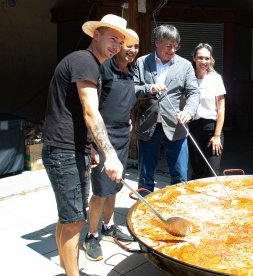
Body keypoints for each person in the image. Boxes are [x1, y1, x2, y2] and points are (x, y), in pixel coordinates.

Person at [41, 14, 136, 276]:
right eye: (112, 38)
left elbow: (71, 111)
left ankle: (66, 269)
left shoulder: (87, 62)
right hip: (64, 150)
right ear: (96, 35)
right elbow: (90, 111)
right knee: (75, 221)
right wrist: (110, 154)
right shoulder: (86, 61)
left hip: (69, 147)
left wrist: (91, 147)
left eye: (120, 41)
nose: (116, 45)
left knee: (68, 219)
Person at [83, 29, 139, 261]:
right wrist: (92, 145)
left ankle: (108, 225)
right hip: (103, 137)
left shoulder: (131, 71)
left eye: (136, 47)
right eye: (127, 45)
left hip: (123, 137)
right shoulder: (104, 68)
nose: (131, 50)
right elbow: (90, 108)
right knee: (100, 190)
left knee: (115, 186)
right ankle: (92, 235)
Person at [134, 24, 199, 193]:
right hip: (149, 127)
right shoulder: (142, 62)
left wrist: (189, 112)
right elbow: (131, 90)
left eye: (176, 46)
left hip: (176, 127)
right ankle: (145, 215)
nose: (172, 50)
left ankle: (178, 215)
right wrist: (149, 89)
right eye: (169, 46)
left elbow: (194, 93)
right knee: (145, 176)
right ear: (157, 43)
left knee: (179, 176)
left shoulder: (185, 65)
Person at [188, 43, 226, 179]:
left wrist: (216, 136)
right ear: (194, 58)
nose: (204, 62)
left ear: (211, 60)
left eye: (207, 58)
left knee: (212, 173)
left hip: (212, 129)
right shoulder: (188, 78)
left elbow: (221, 108)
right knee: (196, 172)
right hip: (192, 129)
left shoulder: (216, 79)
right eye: (200, 58)